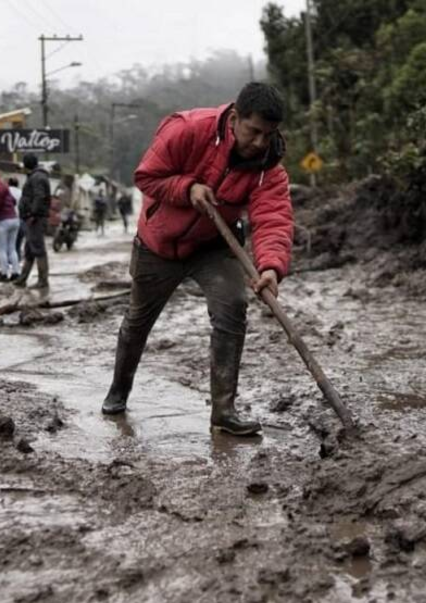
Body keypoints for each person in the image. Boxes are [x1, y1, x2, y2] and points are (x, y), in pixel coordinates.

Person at [100, 82, 294, 436]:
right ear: (235, 118)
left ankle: (224, 411)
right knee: (138, 321)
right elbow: (146, 176)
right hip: (159, 243)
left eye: (269, 134)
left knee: (233, 306)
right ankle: (119, 390)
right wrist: (187, 188)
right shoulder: (187, 128)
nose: (260, 143)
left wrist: (270, 267)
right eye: (253, 132)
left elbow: (273, 219)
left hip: (214, 247)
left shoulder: (269, 166)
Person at [14, 154, 51, 289]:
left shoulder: (37, 177)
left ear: (27, 165)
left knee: (38, 248)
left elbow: (39, 197)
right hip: (33, 217)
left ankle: (43, 280)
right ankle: (22, 279)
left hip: (35, 218)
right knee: (29, 249)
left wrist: (32, 214)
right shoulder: (37, 176)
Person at [8, 177, 24, 260]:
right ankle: (17, 263)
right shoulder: (21, 193)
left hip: (8, 219)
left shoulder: (6, 191)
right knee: (17, 244)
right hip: (20, 220)